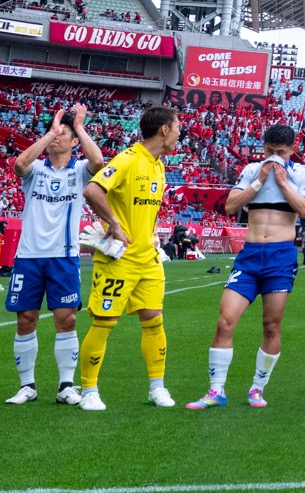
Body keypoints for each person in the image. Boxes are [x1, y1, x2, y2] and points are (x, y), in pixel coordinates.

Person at [186, 123, 305, 410]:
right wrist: (259, 181)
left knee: (271, 325)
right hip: (250, 254)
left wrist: (283, 182)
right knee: (225, 321)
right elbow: (231, 206)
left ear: (292, 150)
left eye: (280, 152)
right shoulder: (251, 170)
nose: (274, 157)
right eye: (269, 151)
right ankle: (215, 391)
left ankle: (257, 388)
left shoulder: (304, 173)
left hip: (281, 256)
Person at [77, 105, 181, 410]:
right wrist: (116, 225)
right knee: (104, 322)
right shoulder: (128, 159)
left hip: (148, 259)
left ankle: (157, 387)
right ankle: (89, 391)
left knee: (154, 321)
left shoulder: (159, 165)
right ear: (164, 130)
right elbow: (93, 190)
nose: (179, 133)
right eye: (176, 128)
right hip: (118, 260)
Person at [5, 103, 106, 404]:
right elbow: (19, 164)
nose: (58, 138)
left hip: (63, 256)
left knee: (67, 319)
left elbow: (99, 162)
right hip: (29, 256)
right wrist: (49, 134)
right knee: (26, 319)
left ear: (75, 141)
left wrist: (80, 127)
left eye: (64, 134)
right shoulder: (35, 169)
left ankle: (65, 386)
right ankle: (27, 386)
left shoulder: (78, 171)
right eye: (55, 134)